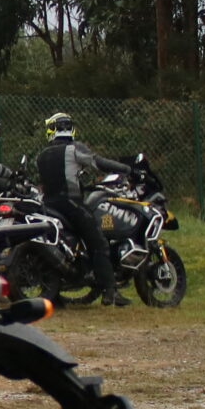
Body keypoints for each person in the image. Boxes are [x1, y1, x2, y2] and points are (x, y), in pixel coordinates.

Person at [34, 112, 132, 307]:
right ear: (70, 128)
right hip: (71, 204)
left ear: (52, 130)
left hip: (47, 205)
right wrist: (125, 169)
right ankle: (110, 291)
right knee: (99, 242)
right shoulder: (73, 148)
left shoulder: (41, 155)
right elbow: (98, 162)